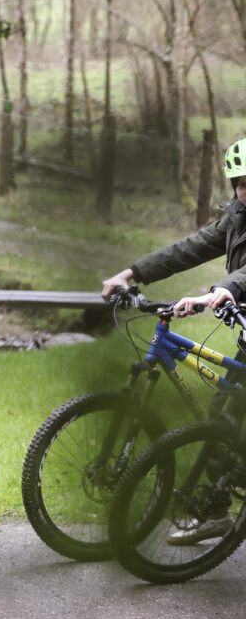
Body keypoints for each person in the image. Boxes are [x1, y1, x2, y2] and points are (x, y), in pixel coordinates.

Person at [101, 134, 246, 545]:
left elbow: (244, 275)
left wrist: (222, 290)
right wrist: (131, 273)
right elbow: (190, 247)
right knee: (222, 414)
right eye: (243, 183)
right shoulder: (237, 219)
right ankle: (217, 512)